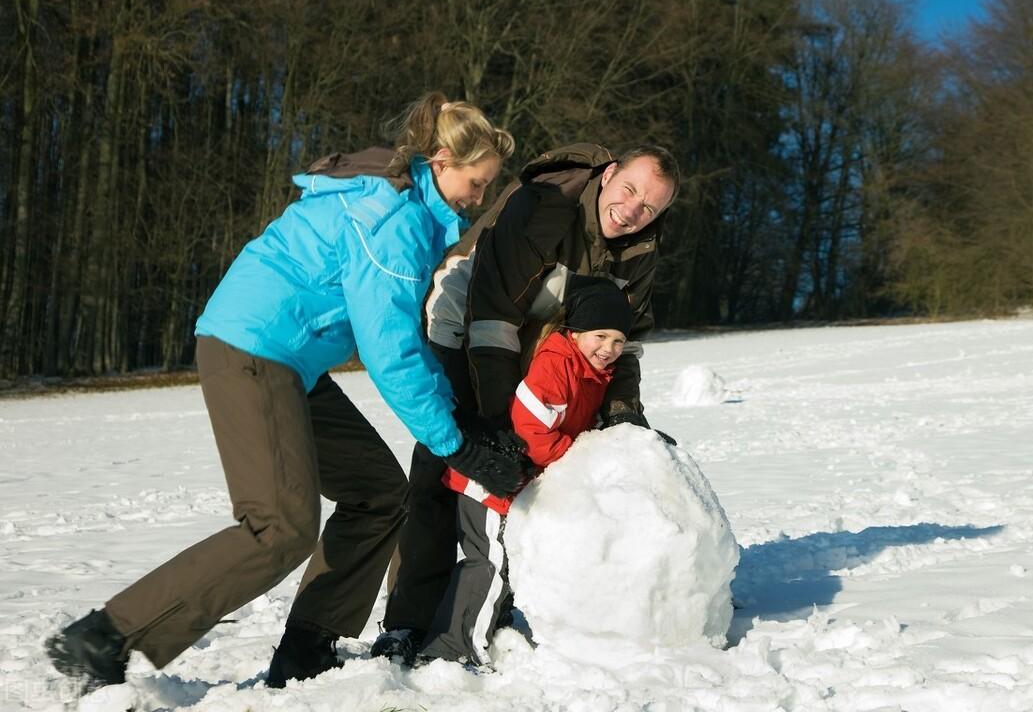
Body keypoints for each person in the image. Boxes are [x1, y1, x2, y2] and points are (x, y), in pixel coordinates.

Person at [43, 92, 531, 691]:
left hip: (288, 360)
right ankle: (106, 636)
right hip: (253, 350)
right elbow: (389, 350)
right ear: (439, 160)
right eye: (476, 184)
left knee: (378, 493)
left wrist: (455, 419)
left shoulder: (410, 212)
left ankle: (307, 647)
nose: (478, 200)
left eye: (486, 189)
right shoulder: (395, 220)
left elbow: (402, 335)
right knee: (278, 525)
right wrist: (454, 440)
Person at [372, 142, 680, 662]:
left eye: (649, 207)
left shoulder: (641, 250)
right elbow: (492, 313)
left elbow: (623, 345)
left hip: (541, 346)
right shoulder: (545, 206)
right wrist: (497, 423)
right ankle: (407, 621)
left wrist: (625, 420)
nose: (632, 212)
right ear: (608, 176)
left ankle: (492, 602)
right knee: (446, 470)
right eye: (629, 190)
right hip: (463, 324)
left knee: (530, 473)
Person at [418, 278, 634, 667]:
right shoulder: (557, 365)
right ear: (576, 330)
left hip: (515, 484)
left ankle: (489, 628)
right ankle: (451, 651)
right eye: (600, 335)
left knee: (505, 562)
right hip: (489, 481)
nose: (609, 349)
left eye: (619, 340)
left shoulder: (590, 371)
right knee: (488, 563)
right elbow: (531, 435)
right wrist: (581, 456)